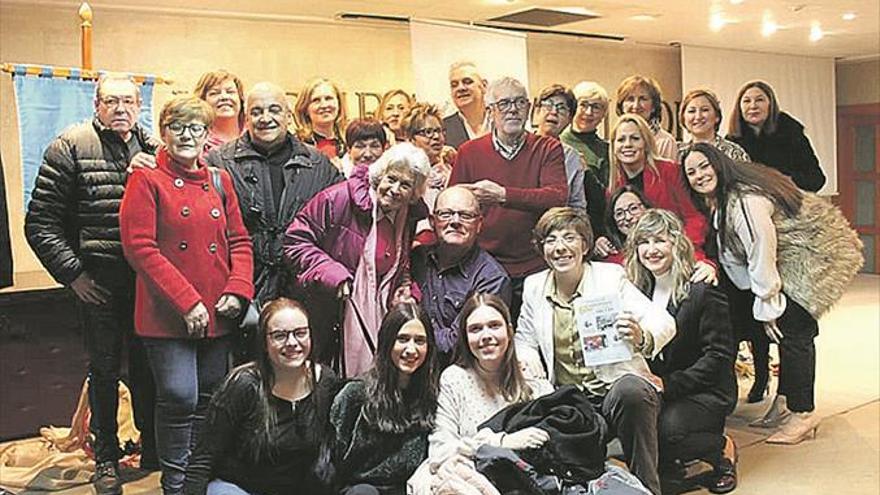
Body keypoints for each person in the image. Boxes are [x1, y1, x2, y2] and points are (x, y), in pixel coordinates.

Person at [24, 73, 159, 494]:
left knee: (148, 370)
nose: (121, 109)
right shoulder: (70, 146)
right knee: (103, 371)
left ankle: (153, 447)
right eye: (111, 101)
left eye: (128, 101)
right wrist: (73, 275)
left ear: (140, 106)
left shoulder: (155, 147)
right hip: (98, 283)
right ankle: (107, 458)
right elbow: (41, 223)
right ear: (97, 104)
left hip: (148, 284)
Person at [120, 96, 254, 494]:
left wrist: (238, 290)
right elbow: (139, 247)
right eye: (177, 126)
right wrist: (186, 301)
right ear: (163, 132)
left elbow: (240, 241)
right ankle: (175, 485)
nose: (187, 136)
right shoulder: (146, 179)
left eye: (196, 128)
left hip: (217, 310)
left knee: (210, 399)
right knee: (179, 396)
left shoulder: (218, 179)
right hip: (167, 312)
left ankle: (198, 479)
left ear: (206, 135)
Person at [515, 207, 675, 495]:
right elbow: (524, 340)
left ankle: (649, 488)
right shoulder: (534, 287)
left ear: (585, 245)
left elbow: (664, 322)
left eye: (569, 238)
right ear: (542, 249)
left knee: (630, 390)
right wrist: (528, 365)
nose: (560, 247)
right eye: (551, 240)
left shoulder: (610, 278)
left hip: (615, 387)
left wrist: (641, 337)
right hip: (571, 398)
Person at [680, 142, 822, 444]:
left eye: (705, 166)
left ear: (720, 163)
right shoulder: (720, 202)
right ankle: (785, 402)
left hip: (794, 267)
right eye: (691, 172)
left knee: (794, 332)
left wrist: (768, 302)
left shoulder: (744, 199)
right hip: (775, 272)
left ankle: (803, 414)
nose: (699, 175)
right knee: (783, 333)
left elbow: (760, 249)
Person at [284, 142, 431, 377]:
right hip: (330, 313)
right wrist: (332, 273)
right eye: (391, 179)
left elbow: (399, 263)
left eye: (405, 185)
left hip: (379, 319)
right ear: (379, 175)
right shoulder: (339, 198)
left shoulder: (406, 215)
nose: (394, 189)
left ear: (414, 194)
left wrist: (405, 288)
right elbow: (295, 241)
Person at [624, 209, 738, 494]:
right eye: (643, 242)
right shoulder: (637, 289)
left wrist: (670, 384)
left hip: (704, 390)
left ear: (676, 243)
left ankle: (721, 448)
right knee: (632, 428)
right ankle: (672, 461)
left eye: (660, 241)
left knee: (663, 434)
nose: (651, 250)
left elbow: (719, 357)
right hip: (660, 388)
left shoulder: (702, 289)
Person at [204, 82, 342, 306]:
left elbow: (341, 226)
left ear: (288, 115)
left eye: (274, 110)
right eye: (256, 112)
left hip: (303, 289)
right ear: (246, 118)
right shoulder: (218, 162)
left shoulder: (320, 166)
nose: (265, 118)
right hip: (241, 292)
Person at [184, 298, 340, 495]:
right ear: (265, 344)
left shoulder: (326, 382)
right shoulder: (243, 384)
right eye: (279, 336)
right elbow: (202, 459)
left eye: (300, 333)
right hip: (240, 488)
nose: (292, 343)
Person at [448, 76, 568, 320]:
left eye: (519, 103)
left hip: (536, 264)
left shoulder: (547, 148)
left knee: (535, 339)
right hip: (484, 265)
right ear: (491, 111)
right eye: (504, 104)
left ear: (529, 108)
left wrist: (502, 195)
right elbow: (453, 202)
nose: (512, 110)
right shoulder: (469, 152)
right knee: (490, 334)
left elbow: (557, 196)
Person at [410, 293, 554, 494]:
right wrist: (500, 442)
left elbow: (554, 438)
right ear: (466, 338)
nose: (486, 335)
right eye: (475, 329)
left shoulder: (532, 379)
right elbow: (439, 451)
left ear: (509, 331)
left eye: (494, 325)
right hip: (469, 482)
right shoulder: (454, 379)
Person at [324, 303, 439, 495]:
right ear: (387, 342)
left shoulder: (433, 398)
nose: (411, 350)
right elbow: (332, 465)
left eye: (420, 341)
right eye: (402, 339)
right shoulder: (355, 395)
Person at [601, 113, 715, 285]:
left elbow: (695, 218)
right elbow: (616, 231)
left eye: (635, 138)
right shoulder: (613, 186)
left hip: (681, 250)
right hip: (639, 260)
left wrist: (677, 248)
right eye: (621, 139)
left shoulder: (671, 171)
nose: (627, 145)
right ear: (613, 146)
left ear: (646, 143)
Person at [411, 186, 511, 367]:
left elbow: (457, 344)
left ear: (479, 224)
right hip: (411, 370)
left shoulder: (492, 279)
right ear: (433, 221)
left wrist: (414, 332)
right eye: (446, 214)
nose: (455, 221)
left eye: (465, 215)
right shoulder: (415, 260)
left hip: (460, 375)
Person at [533, 84, 609, 238]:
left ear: (569, 119)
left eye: (561, 108)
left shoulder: (572, 156)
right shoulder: (519, 146)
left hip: (557, 234)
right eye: (548, 105)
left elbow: (577, 206)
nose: (553, 112)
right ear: (536, 111)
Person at [727, 80, 826, 192]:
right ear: (739, 107)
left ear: (771, 104)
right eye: (746, 101)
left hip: (787, 202)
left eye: (759, 100)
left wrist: (783, 180)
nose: (753, 106)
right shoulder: (731, 142)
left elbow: (816, 179)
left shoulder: (792, 134)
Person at [615, 75, 677, 162]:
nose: (636, 106)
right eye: (630, 99)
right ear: (621, 106)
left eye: (643, 99)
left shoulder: (665, 142)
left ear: (654, 106)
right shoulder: (615, 139)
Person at [561, 80, 611, 186]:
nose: (589, 112)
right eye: (583, 105)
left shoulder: (607, 150)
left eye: (596, 107)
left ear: (603, 115)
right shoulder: (557, 142)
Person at [678, 88, 749, 162]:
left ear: (717, 117)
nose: (698, 116)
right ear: (683, 118)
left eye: (705, 110)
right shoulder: (678, 153)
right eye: (692, 111)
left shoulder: (733, 152)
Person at [295, 77, 349, 164]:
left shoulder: (350, 141)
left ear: (339, 104)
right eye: (316, 100)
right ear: (305, 109)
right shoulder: (297, 145)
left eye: (328, 98)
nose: (324, 105)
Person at [193, 70, 245, 155]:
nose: (224, 97)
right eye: (214, 93)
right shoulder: (195, 143)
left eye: (230, 92)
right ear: (202, 101)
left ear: (240, 99)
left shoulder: (256, 135)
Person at [599, 185, 652, 264]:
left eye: (633, 208)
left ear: (646, 208)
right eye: (619, 213)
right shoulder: (612, 259)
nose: (628, 217)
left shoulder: (666, 243)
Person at [442, 61, 489, 148]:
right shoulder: (442, 128)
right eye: (454, 85)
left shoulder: (501, 121)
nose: (460, 88)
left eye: (467, 82)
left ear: (484, 86)